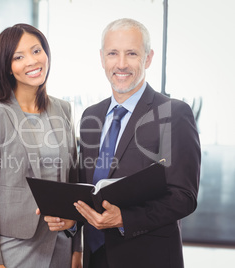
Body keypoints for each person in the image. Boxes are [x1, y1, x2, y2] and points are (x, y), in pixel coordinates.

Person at [70, 18, 200, 268]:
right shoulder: (90, 116)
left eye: (131, 53)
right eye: (112, 53)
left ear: (148, 58)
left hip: (148, 257)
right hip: (95, 258)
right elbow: (88, 186)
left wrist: (125, 218)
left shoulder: (173, 113)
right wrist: (70, 219)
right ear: (101, 58)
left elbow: (184, 196)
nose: (121, 64)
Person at [0, 23, 82, 268]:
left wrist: (77, 247)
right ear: (7, 67)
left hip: (61, 241)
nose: (32, 61)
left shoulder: (62, 109)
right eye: (19, 57)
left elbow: (73, 182)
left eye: (36, 51)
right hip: (14, 245)